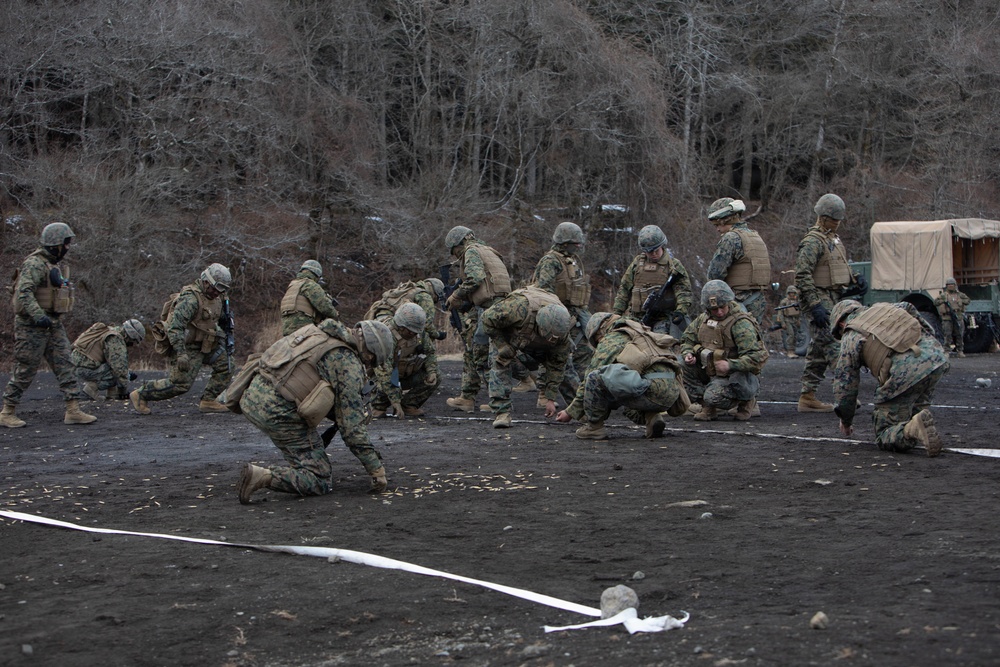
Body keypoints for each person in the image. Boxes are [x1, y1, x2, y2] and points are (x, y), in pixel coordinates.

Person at [234, 319, 396, 503]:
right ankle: (261, 476)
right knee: (320, 479)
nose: (368, 365)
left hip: (252, 397)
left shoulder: (319, 333)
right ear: (370, 352)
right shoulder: (348, 363)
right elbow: (352, 430)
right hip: (278, 412)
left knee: (306, 454)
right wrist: (376, 468)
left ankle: (299, 464)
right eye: (372, 361)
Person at [1, 222, 97, 427]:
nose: (68, 248)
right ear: (55, 244)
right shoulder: (34, 264)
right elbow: (23, 292)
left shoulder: (51, 265)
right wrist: (37, 315)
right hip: (31, 326)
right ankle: (7, 411)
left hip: (52, 324)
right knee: (25, 369)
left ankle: (73, 410)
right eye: (66, 244)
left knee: (66, 364)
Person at [830, 300, 948, 456]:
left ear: (840, 325)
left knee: (885, 433)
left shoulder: (851, 335)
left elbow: (845, 385)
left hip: (905, 373)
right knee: (915, 408)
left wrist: (846, 420)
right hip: (935, 359)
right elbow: (910, 307)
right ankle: (918, 422)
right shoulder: (885, 307)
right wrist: (930, 344)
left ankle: (912, 429)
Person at [556, 312, 688, 440]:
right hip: (672, 394)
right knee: (622, 385)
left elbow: (590, 377)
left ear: (600, 330)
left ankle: (594, 428)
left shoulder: (612, 339)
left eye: (597, 339)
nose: (599, 342)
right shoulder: (642, 333)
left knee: (595, 377)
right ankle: (651, 417)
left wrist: (570, 412)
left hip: (651, 390)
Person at [794, 193, 867, 412]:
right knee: (835, 345)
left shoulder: (832, 240)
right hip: (818, 297)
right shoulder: (812, 242)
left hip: (833, 297)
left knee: (818, 350)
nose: (838, 223)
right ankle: (846, 394)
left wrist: (854, 278)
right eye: (834, 218)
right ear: (823, 217)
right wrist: (815, 305)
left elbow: (838, 265)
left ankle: (807, 397)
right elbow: (802, 274)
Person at [131, 263, 234, 415]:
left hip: (208, 344)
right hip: (188, 346)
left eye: (221, 290)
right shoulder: (190, 300)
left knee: (227, 366)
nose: (216, 293)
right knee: (180, 385)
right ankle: (141, 394)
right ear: (206, 282)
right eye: (215, 289)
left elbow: (217, 320)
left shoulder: (219, 298)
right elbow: (175, 327)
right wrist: (181, 353)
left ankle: (208, 400)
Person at [481, 286, 573, 428]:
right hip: (509, 332)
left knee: (566, 365)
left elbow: (557, 366)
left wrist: (550, 398)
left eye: (554, 340)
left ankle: (580, 409)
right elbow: (486, 319)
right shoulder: (516, 309)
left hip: (532, 338)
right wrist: (501, 345)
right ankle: (502, 412)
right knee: (501, 361)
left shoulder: (562, 332)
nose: (551, 341)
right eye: (549, 337)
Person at [442, 225, 511, 413]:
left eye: (454, 251)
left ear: (460, 243)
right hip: (502, 306)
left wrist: (456, 296)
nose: (455, 255)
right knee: (479, 351)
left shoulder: (471, 252)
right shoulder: (489, 251)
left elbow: (475, 278)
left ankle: (496, 400)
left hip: (489, 309)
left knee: (483, 353)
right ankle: (467, 398)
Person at [680, 280, 769, 421]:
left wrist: (730, 365)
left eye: (722, 307)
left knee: (713, 396)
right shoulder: (702, 320)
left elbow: (755, 357)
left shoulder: (741, 324)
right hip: (709, 369)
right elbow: (687, 339)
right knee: (680, 366)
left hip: (734, 376)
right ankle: (707, 406)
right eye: (714, 310)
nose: (719, 312)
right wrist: (688, 354)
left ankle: (745, 401)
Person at [530, 221, 594, 406]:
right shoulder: (551, 261)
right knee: (555, 354)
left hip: (576, 314)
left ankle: (587, 391)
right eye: (576, 243)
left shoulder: (572, 261)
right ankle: (544, 394)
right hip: (557, 316)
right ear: (565, 243)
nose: (579, 246)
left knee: (584, 353)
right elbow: (543, 292)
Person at [613, 225, 693, 337]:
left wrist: (680, 310)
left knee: (659, 343)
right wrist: (617, 313)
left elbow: (684, 292)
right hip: (636, 316)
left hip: (663, 318)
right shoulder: (637, 264)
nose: (654, 254)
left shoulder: (673, 266)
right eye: (650, 252)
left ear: (662, 246)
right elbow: (624, 289)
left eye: (656, 250)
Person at [705, 197, 772, 326]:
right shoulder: (755, 236)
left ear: (725, 220)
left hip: (737, 302)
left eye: (717, 224)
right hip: (757, 301)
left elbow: (715, 275)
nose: (717, 229)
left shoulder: (731, 238)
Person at [370, 302, 440, 418]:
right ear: (400, 325)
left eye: (415, 332)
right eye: (409, 331)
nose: (413, 334)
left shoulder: (418, 333)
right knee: (382, 384)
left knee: (436, 376)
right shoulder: (386, 335)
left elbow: (429, 352)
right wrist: (395, 401)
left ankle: (408, 405)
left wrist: (431, 371)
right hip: (384, 377)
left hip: (405, 374)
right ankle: (379, 406)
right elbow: (384, 373)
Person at [72, 319, 146, 400]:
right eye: (134, 341)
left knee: (114, 366)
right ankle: (91, 389)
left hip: (77, 365)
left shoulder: (110, 330)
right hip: (84, 368)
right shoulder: (116, 340)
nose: (132, 344)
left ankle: (112, 393)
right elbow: (120, 370)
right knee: (118, 372)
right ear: (131, 336)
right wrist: (123, 392)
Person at [365, 277, 447, 343]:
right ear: (437, 292)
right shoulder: (425, 297)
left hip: (378, 317)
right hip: (391, 322)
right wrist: (438, 335)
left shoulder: (410, 289)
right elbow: (425, 325)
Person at [280, 260, 340, 336]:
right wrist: (335, 314)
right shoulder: (310, 285)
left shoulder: (292, 285)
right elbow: (324, 307)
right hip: (303, 327)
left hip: (287, 328)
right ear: (316, 274)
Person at [933, 277, 971, 358]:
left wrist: (961, 301)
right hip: (947, 318)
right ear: (946, 286)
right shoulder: (943, 295)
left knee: (959, 334)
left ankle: (960, 350)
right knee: (947, 334)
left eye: (952, 284)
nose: (951, 286)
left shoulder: (959, 294)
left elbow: (968, 300)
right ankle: (946, 351)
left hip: (958, 317)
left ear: (955, 285)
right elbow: (935, 302)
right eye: (949, 285)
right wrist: (943, 301)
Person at [775, 285, 805, 358]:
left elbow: (799, 312)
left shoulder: (796, 301)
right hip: (787, 320)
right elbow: (780, 312)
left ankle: (793, 351)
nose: (792, 294)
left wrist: (798, 320)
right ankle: (789, 351)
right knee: (791, 335)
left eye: (793, 293)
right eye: (790, 293)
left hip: (794, 320)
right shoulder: (784, 302)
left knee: (795, 336)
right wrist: (782, 323)